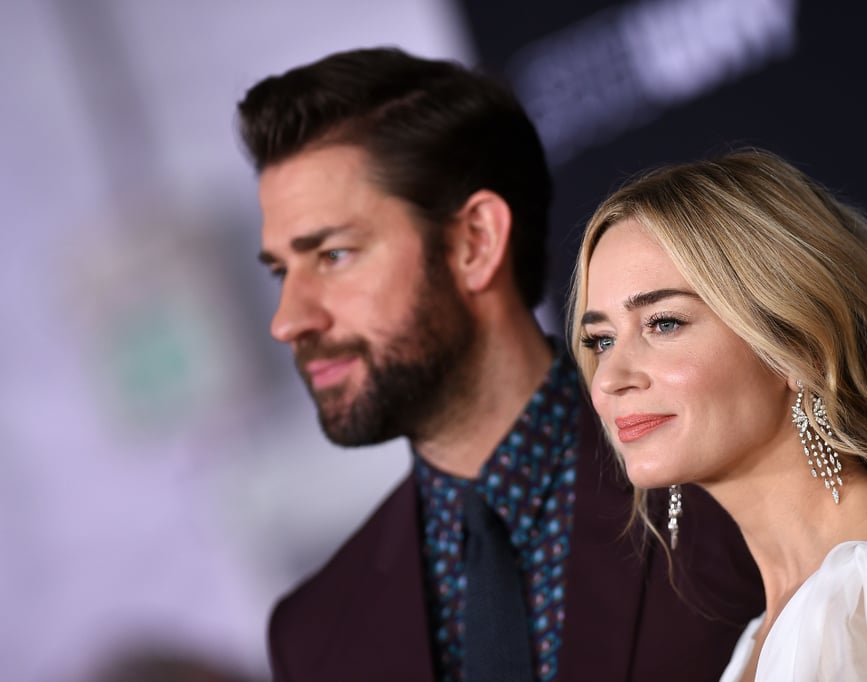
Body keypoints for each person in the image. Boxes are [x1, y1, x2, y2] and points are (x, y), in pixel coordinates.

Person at [235, 47, 764, 682]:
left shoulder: (736, 485)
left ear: (475, 242)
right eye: (279, 272)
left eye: (334, 256)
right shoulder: (314, 637)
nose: (288, 320)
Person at [568, 146, 867, 681]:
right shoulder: (765, 633)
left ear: (798, 345)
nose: (610, 379)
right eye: (600, 339)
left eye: (663, 323)